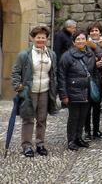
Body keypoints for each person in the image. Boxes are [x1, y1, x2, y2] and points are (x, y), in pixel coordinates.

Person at [11, 26, 58, 157]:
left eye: (43, 37)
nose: (41, 40)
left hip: (45, 91)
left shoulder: (51, 54)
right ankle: (26, 145)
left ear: (47, 39)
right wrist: (19, 88)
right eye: (38, 37)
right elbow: (15, 73)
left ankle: (40, 144)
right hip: (29, 92)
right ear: (32, 38)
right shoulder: (24, 55)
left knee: (42, 119)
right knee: (28, 119)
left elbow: (54, 73)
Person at [58, 30, 96, 151]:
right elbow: (61, 77)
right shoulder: (67, 56)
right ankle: (71, 140)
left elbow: (93, 72)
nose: (80, 41)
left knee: (83, 116)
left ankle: (79, 138)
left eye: (83, 39)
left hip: (86, 90)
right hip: (73, 90)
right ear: (74, 42)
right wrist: (63, 95)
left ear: (86, 40)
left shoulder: (90, 53)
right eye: (78, 39)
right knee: (74, 117)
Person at [85, 22, 102, 140]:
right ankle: (87, 131)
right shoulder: (84, 44)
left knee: (97, 106)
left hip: (100, 77)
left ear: (100, 32)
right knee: (87, 106)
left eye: (96, 30)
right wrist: (95, 64)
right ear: (89, 33)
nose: (94, 33)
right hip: (88, 78)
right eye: (92, 31)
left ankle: (96, 130)